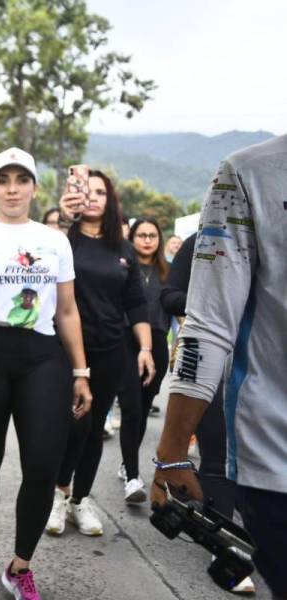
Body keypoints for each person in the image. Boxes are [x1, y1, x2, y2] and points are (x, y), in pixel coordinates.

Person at [0, 147, 91, 598]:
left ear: (32, 186)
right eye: (3, 180)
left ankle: (20, 565)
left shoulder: (55, 241)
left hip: (42, 356)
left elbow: (66, 311)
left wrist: (81, 370)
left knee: (43, 463)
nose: (11, 188)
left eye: (20, 180)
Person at [152, 135, 287, 599]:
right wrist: (171, 448)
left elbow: (207, 326)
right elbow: (206, 325)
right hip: (275, 461)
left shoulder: (247, 172)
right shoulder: (248, 175)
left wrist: (170, 454)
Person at [46, 169, 154, 535]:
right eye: (84, 190)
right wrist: (63, 217)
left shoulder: (122, 248)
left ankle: (81, 500)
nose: (92, 197)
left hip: (110, 350)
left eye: (100, 192)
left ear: (110, 200)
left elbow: (135, 302)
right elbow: (42, 263)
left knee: (93, 428)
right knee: (70, 424)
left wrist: (145, 348)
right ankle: (58, 495)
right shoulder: (64, 238)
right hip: (64, 349)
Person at [158, 232, 255, 594]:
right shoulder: (202, 242)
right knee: (218, 454)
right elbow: (169, 295)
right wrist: (219, 304)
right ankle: (225, 547)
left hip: (268, 367)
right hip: (213, 359)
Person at [116, 218, 171, 500]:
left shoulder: (169, 272)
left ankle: (128, 463)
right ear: (132, 237)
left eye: (152, 236)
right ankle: (134, 477)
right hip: (126, 339)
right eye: (141, 235)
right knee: (132, 408)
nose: (147, 240)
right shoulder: (122, 266)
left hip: (158, 341)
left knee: (145, 405)